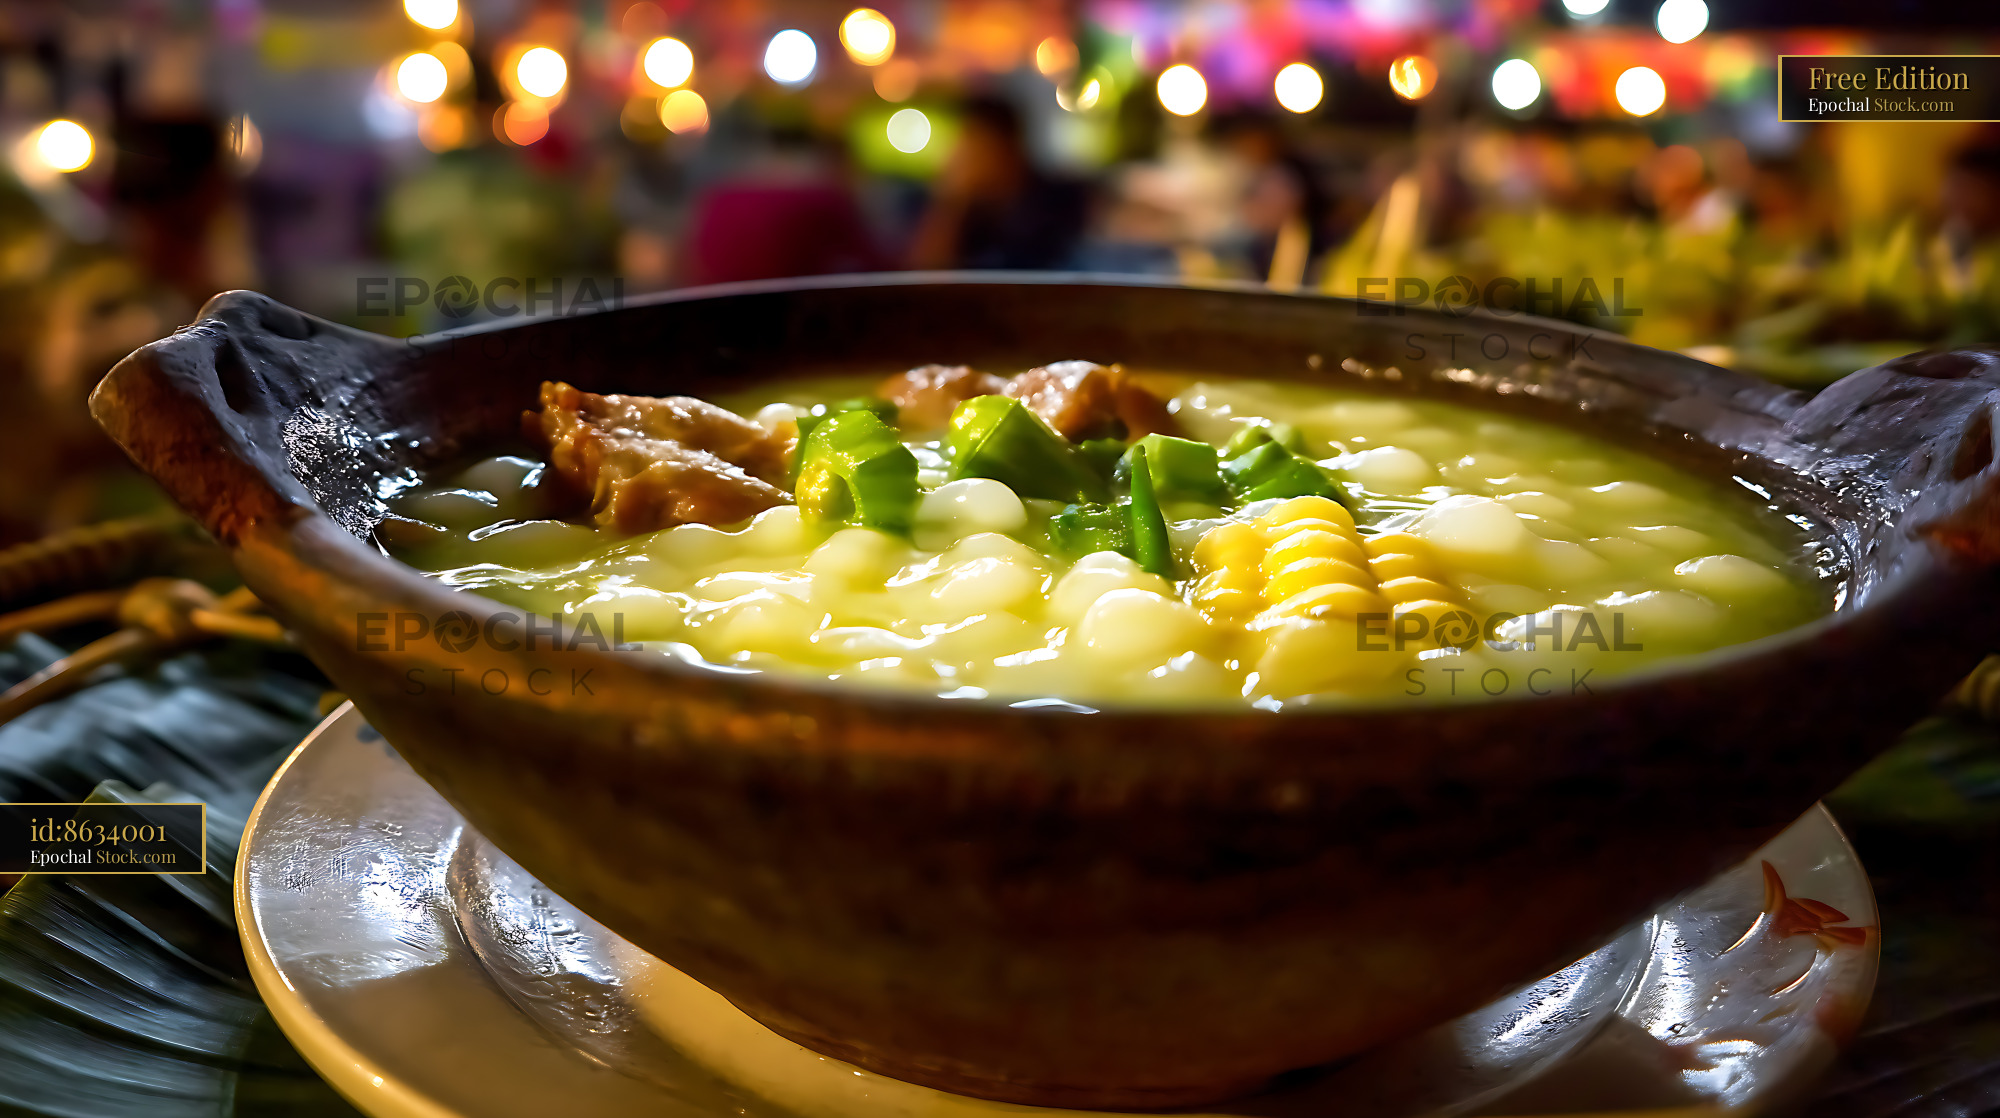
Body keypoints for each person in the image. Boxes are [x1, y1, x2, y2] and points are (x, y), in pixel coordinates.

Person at [908, 96, 1087, 270]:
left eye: (978, 146)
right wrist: (951, 202)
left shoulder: (1060, 201)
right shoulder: (967, 211)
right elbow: (923, 276)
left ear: (1007, 147)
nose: (965, 159)